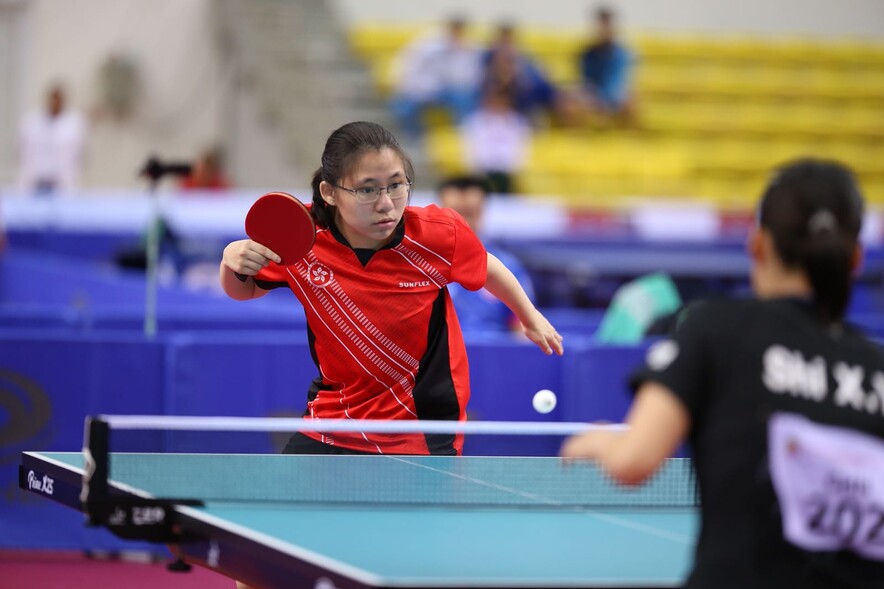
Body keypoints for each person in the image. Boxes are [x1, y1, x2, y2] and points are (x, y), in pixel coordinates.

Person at [561, 159, 884, 588]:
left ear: (758, 245)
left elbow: (632, 461)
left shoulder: (713, 328)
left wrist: (597, 441)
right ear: (856, 259)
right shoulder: (876, 367)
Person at [220, 122, 562, 457]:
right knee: (290, 510)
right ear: (329, 192)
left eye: (397, 185)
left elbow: (487, 266)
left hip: (423, 426)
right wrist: (230, 262)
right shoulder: (300, 237)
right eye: (367, 189)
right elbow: (244, 290)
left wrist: (529, 316)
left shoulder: (435, 234)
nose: (386, 203)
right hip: (333, 418)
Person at [437, 175, 535, 332]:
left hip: (493, 353)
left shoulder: (508, 266)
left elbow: (523, 327)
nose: (462, 221)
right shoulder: (420, 263)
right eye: (455, 214)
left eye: (469, 213)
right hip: (439, 352)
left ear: (482, 211)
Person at [390, 16, 482, 140]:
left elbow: (467, 77)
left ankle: (463, 136)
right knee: (403, 106)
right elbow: (409, 67)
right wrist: (413, 88)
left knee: (465, 99)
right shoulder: (427, 43)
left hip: (445, 91)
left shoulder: (466, 47)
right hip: (420, 88)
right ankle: (413, 138)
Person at [460, 85, 532, 195]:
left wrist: (514, 168)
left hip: (508, 172)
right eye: (494, 100)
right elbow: (469, 147)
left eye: (501, 100)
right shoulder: (475, 121)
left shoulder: (517, 122)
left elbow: (522, 149)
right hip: (482, 170)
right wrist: (476, 168)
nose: (498, 104)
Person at [17, 83, 88, 195]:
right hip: (35, 182)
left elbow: (82, 154)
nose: (55, 103)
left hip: (63, 184)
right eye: (53, 99)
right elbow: (20, 149)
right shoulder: (31, 122)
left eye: (58, 99)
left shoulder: (75, 124)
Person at [578, 6, 636, 122]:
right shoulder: (587, 55)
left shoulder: (621, 55)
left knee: (631, 101)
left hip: (614, 99)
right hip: (592, 98)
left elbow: (616, 83)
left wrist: (602, 100)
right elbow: (586, 82)